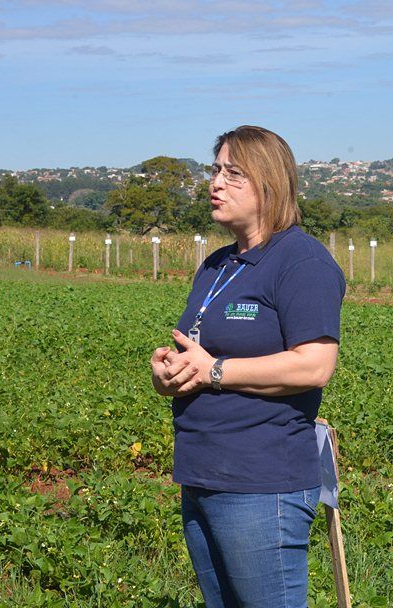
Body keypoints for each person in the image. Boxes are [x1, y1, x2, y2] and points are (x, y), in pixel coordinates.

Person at [150, 125, 345, 608]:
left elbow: (314, 366)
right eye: (215, 170)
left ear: (269, 185)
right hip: (201, 473)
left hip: (260, 485)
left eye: (233, 173)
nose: (215, 183)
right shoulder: (217, 265)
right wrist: (171, 375)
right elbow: (203, 353)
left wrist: (216, 370)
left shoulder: (302, 262)